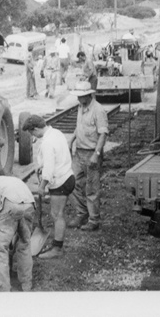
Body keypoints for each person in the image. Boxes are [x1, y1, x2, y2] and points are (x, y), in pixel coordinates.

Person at [21, 115, 75, 259]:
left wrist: (42, 186)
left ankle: (57, 249)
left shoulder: (47, 143)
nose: (34, 136)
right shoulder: (56, 133)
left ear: (37, 129)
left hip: (60, 181)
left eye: (33, 133)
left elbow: (49, 169)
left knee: (57, 215)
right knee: (57, 213)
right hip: (67, 175)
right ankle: (57, 243)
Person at [0, 165, 35, 291]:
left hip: (10, 206)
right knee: (25, 245)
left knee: (0, 249)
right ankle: (26, 284)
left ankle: (3, 288)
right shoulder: (15, 179)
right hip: (29, 206)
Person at [67, 81, 109, 231]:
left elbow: (103, 134)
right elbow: (80, 127)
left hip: (92, 152)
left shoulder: (98, 110)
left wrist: (96, 155)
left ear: (88, 95)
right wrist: (72, 139)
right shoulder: (81, 106)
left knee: (91, 188)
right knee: (71, 183)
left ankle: (93, 219)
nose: (78, 99)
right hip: (79, 152)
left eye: (81, 96)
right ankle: (81, 213)